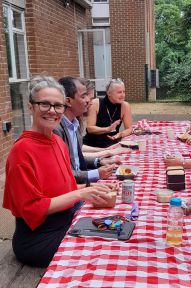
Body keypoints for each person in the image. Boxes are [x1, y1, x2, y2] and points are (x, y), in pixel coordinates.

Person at [2, 76, 113, 267]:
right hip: (38, 239)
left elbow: (64, 188)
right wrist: (82, 192)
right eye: (44, 104)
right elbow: (32, 207)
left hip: (67, 220)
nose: (52, 111)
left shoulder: (58, 142)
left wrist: (94, 189)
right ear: (31, 107)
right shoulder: (21, 150)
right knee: (101, 250)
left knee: (116, 229)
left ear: (64, 108)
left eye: (58, 106)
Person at [54, 76, 116, 185]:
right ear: (68, 101)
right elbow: (61, 173)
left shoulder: (74, 124)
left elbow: (76, 158)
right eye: (84, 96)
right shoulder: (56, 130)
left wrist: (98, 161)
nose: (88, 100)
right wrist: (96, 174)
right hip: (73, 189)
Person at [83, 78, 133, 148]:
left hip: (111, 144)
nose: (123, 95)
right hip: (91, 144)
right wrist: (107, 129)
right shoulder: (95, 103)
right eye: (119, 92)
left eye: (124, 92)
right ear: (109, 93)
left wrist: (120, 134)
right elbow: (90, 128)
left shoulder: (125, 106)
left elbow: (129, 129)